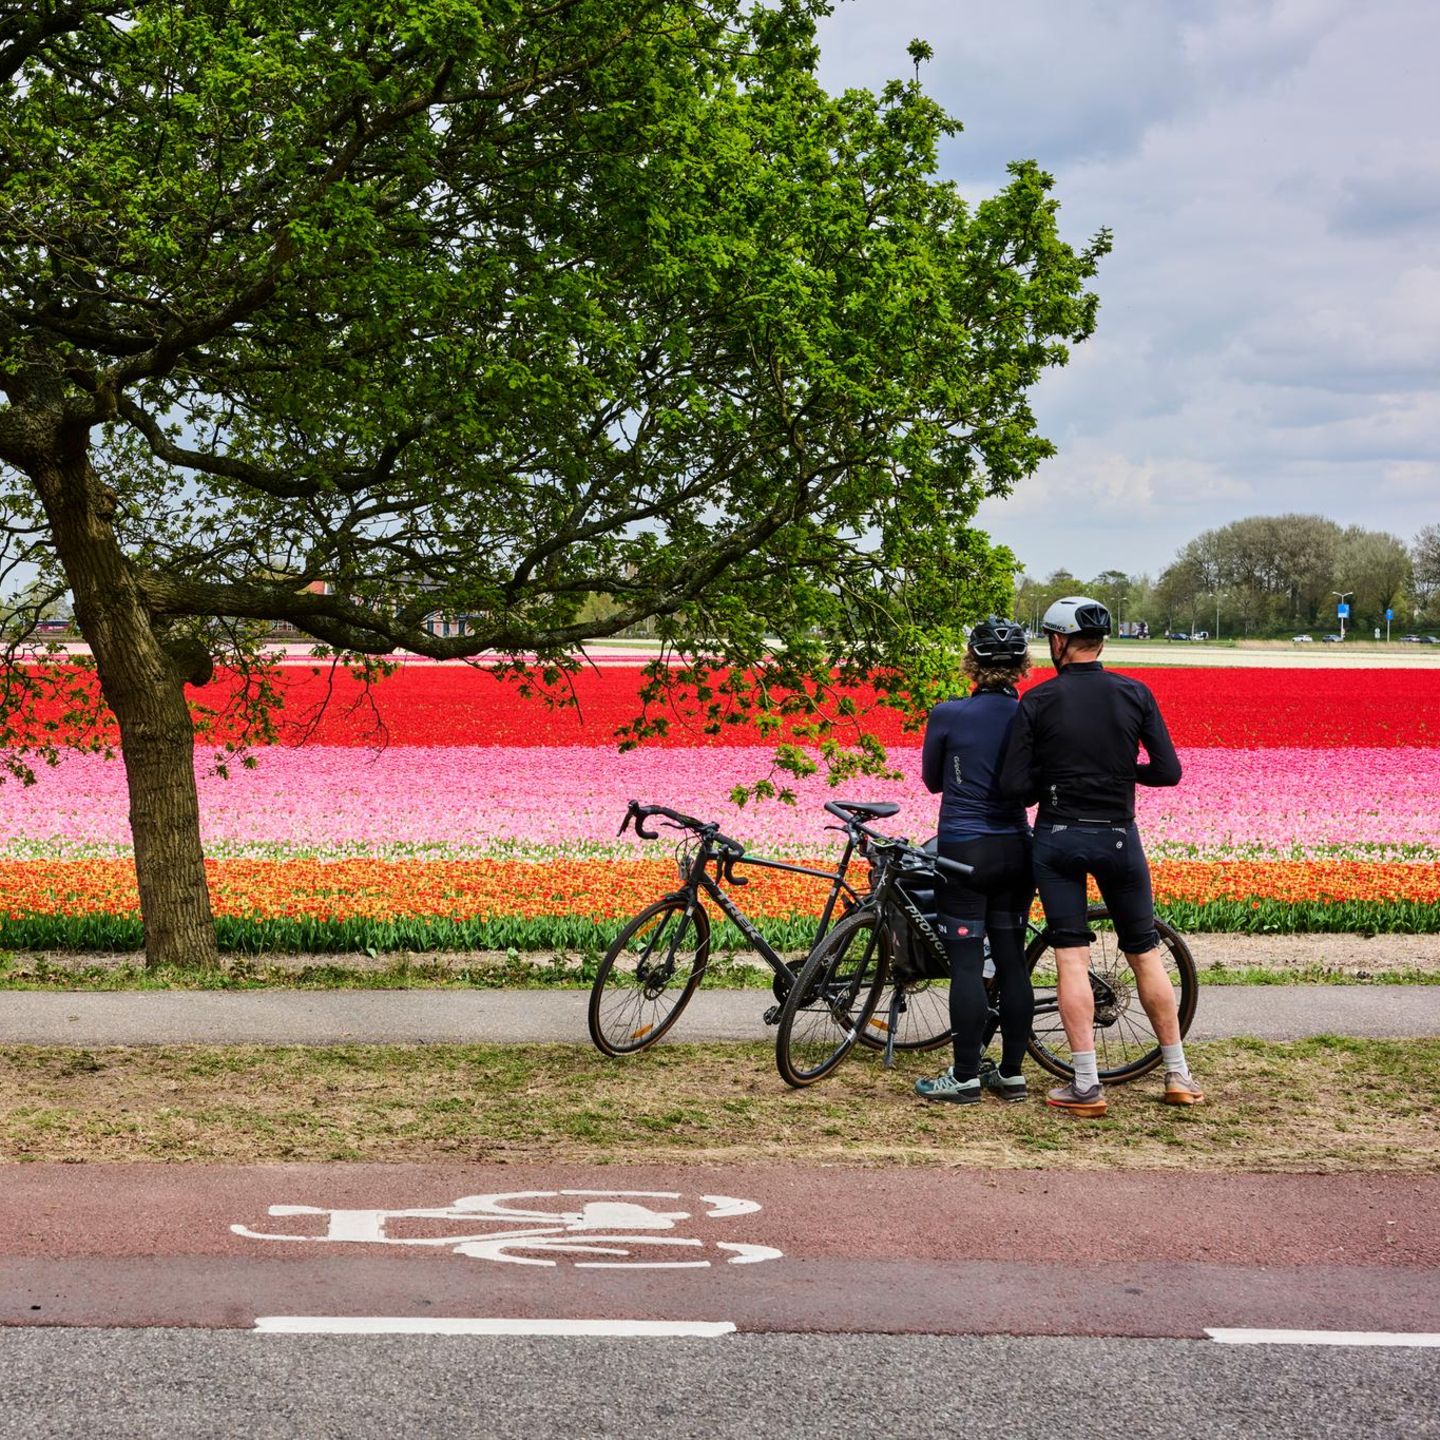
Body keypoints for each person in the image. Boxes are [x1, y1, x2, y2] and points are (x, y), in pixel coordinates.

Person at [999, 595, 1202, 1116]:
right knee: (1144, 951)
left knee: (1071, 956)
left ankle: (1086, 1085)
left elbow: (1016, 788)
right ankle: (1178, 1074)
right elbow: (1168, 771)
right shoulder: (1135, 693)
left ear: (1060, 641)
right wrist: (1120, 771)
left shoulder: (1038, 702)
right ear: (1102, 641)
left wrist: (1056, 776)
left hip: (1058, 837)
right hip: (1118, 836)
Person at [913, 617, 1035, 1105]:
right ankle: (1010, 1074)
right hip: (1016, 847)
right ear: (1022, 666)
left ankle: (964, 1075)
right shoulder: (1032, 714)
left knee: (967, 964)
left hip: (964, 850)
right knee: (1012, 963)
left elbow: (933, 782)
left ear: (972, 662)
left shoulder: (948, 714)